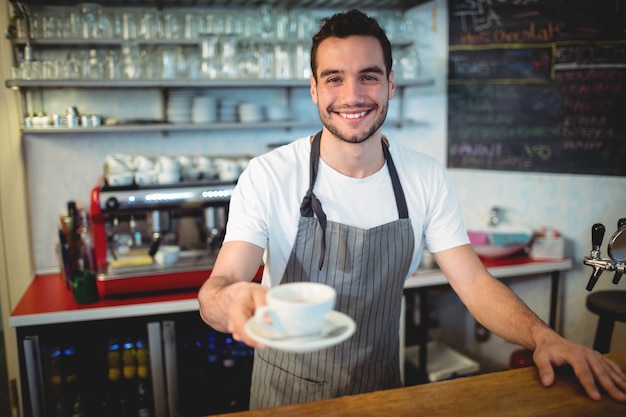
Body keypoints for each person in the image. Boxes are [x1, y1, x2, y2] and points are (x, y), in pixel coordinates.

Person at [198, 8, 626, 409]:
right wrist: (230, 299)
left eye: (368, 77)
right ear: (313, 89)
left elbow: (474, 284)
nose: (352, 96)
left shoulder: (423, 177)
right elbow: (217, 289)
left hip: (383, 392)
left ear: (390, 85)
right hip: (286, 399)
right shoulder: (269, 174)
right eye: (333, 79)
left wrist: (544, 338)